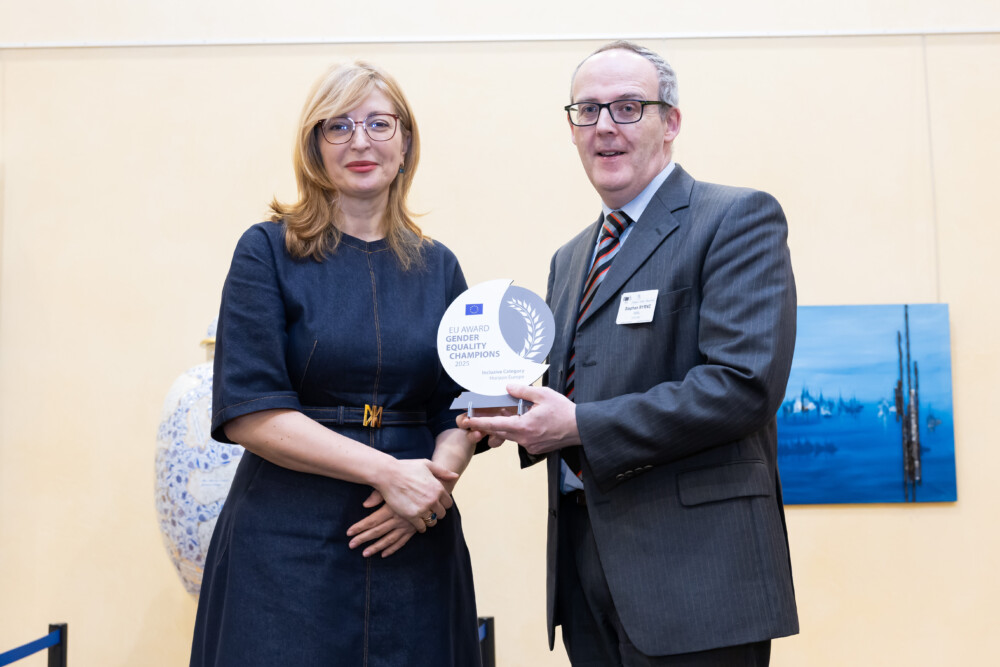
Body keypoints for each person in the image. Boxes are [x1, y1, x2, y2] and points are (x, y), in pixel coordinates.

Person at [461, 41, 799, 665]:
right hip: (584, 569)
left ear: (670, 122)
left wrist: (576, 425)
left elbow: (741, 385)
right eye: (587, 111)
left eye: (627, 107)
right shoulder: (570, 260)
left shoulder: (735, 218)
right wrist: (496, 411)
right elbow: (563, 389)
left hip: (699, 579)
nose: (605, 127)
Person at [190, 61, 482, 667]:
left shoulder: (440, 266)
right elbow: (251, 411)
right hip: (287, 539)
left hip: (415, 533)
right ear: (313, 147)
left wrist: (431, 489)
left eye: (379, 123)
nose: (361, 141)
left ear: (405, 142)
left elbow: (461, 405)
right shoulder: (266, 250)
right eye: (339, 126)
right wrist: (391, 475)